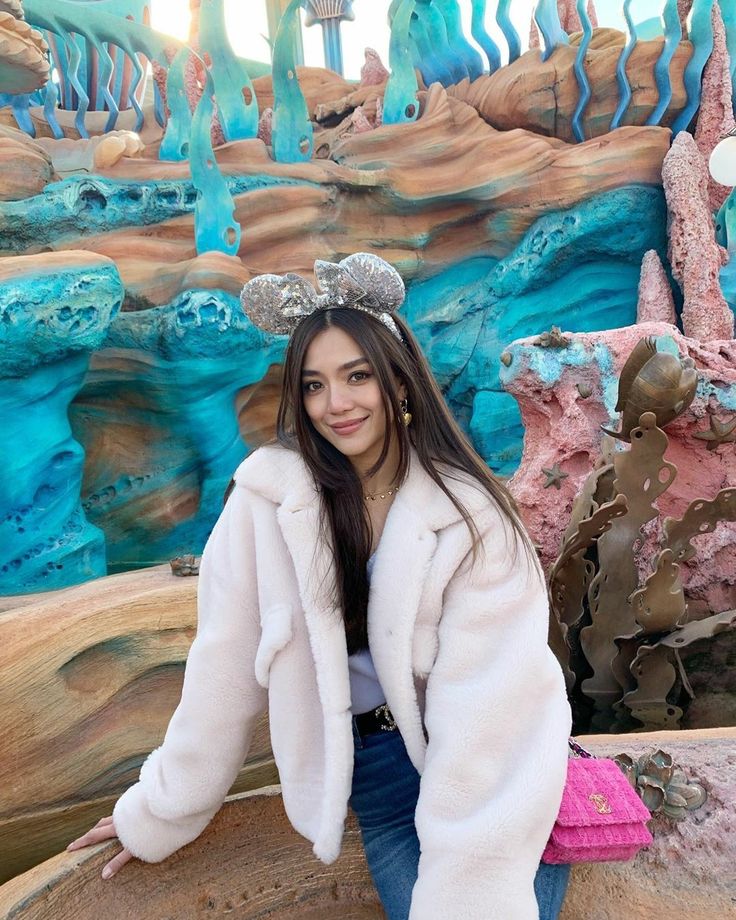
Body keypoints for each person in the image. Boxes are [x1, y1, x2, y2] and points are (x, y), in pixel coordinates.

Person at [68, 253, 572, 919]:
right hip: (381, 782)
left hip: (494, 769)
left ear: (398, 383)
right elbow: (222, 669)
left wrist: (472, 874)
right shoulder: (266, 500)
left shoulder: (471, 515)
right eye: (313, 385)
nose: (335, 404)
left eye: (356, 376)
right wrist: (159, 810)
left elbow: (490, 709)